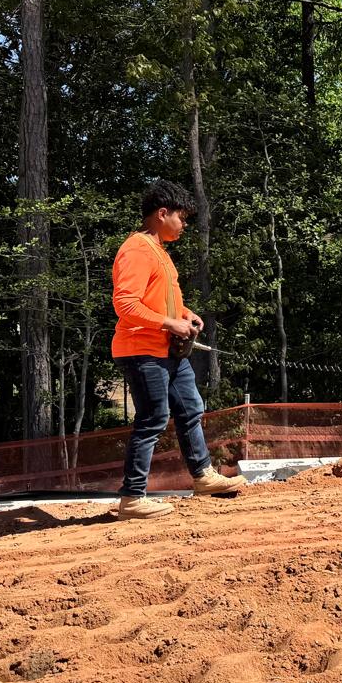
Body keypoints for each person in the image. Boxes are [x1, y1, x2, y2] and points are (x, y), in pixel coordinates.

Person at [110, 179, 245, 519]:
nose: (184, 225)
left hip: (167, 350)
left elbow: (160, 300)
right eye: (181, 218)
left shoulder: (160, 252)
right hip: (142, 350)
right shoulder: (137, 250)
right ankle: (132, 498)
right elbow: (125, 304)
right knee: (153, 418)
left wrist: (184, 314)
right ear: (162, 213)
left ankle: (203, 477)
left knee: (190, 409)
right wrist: (170, 324)